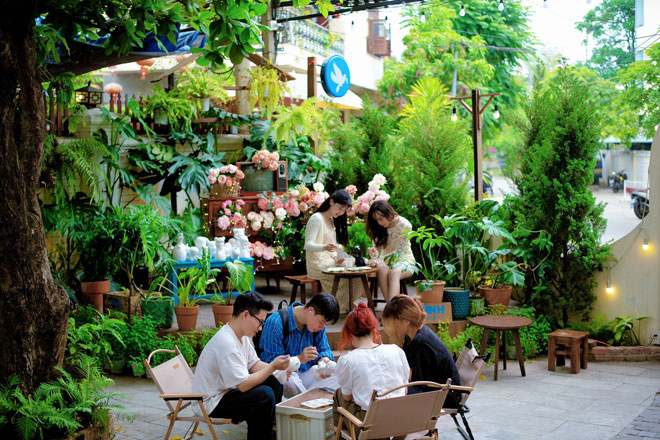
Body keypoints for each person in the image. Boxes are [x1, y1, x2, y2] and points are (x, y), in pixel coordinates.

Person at [192, 291, 291, 440]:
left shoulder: (242, 336)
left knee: (274, 381)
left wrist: (278, 369)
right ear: (245, 315)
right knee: (264, 395)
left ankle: (268, 431)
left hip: (227, 392)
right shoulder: (226, 342)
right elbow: (243, 385)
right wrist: (272, 367)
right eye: (260, 321)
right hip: (212, 402)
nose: (260, 328)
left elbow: (254, 364)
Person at [332, 303, 410, 427]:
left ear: (350, 334)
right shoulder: (396, 351)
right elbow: (404, 388)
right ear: (373, 330)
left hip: (370, 425)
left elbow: (347, 398)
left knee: (338, 394)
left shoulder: (349, 360)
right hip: (400, 421)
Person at [381, 295, 462, 407]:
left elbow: (418, 383)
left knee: (394, 393)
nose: (391, 326)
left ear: (406, 321)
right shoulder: (413, 337)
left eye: (393, 322)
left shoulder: (422, 343)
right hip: (436, 389)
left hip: (446, 396)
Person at [259, 292, 340, 397]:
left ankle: (308, 399)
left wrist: (324, 362)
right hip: (286, 376)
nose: (322, 327)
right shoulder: (276, 322)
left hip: (308, 374)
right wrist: (299, 359)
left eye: (325, 324)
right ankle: (310, 404)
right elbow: (272, 364)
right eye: (321, 322)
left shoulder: (318, 326)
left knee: (338, 374)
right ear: (310, 311)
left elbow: (324, 350)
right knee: (291, 381)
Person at [305, 189, 358, 314]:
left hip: (328, 260)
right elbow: (308, 245)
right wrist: (324, 247)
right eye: (339, 208)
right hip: (317, 263)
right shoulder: (316, 218)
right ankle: (341, 305)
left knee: (355, 266)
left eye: (344, 210)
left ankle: (346, 303)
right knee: (348, 269)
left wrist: (337, 257)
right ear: (331, 202)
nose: (341, 212)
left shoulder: (331, 220)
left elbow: (332, 248)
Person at [366, 200, 416, 302]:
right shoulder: (379, 228)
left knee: (394, 273)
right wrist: (374, 254)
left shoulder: (405, 225)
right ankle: (391, 307)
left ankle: (390, 310)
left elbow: (399, 252)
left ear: (388, 212)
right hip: (386, 261)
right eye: (376, 220)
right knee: (381, 267)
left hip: (404, 260)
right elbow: (378, 250)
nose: (379, 223)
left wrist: (378, 259)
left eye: (381, 218)